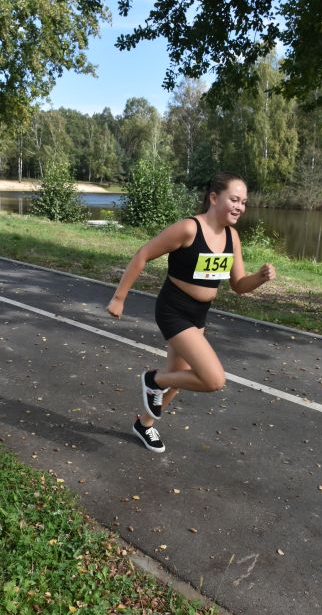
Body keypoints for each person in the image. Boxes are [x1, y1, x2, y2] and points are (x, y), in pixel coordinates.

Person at [107, 171, 276, 453]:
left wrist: (259, 277)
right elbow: (143, 254)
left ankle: (144, 424)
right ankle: (153, 380)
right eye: (234, 199)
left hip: (199, 314)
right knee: (213, 379)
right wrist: (119, 297)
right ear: (214, 198)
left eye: (244, 202)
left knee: (180, 376)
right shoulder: (189, 229)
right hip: (173, 310)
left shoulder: (232, 237)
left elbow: (238, 285)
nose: (240, 207)